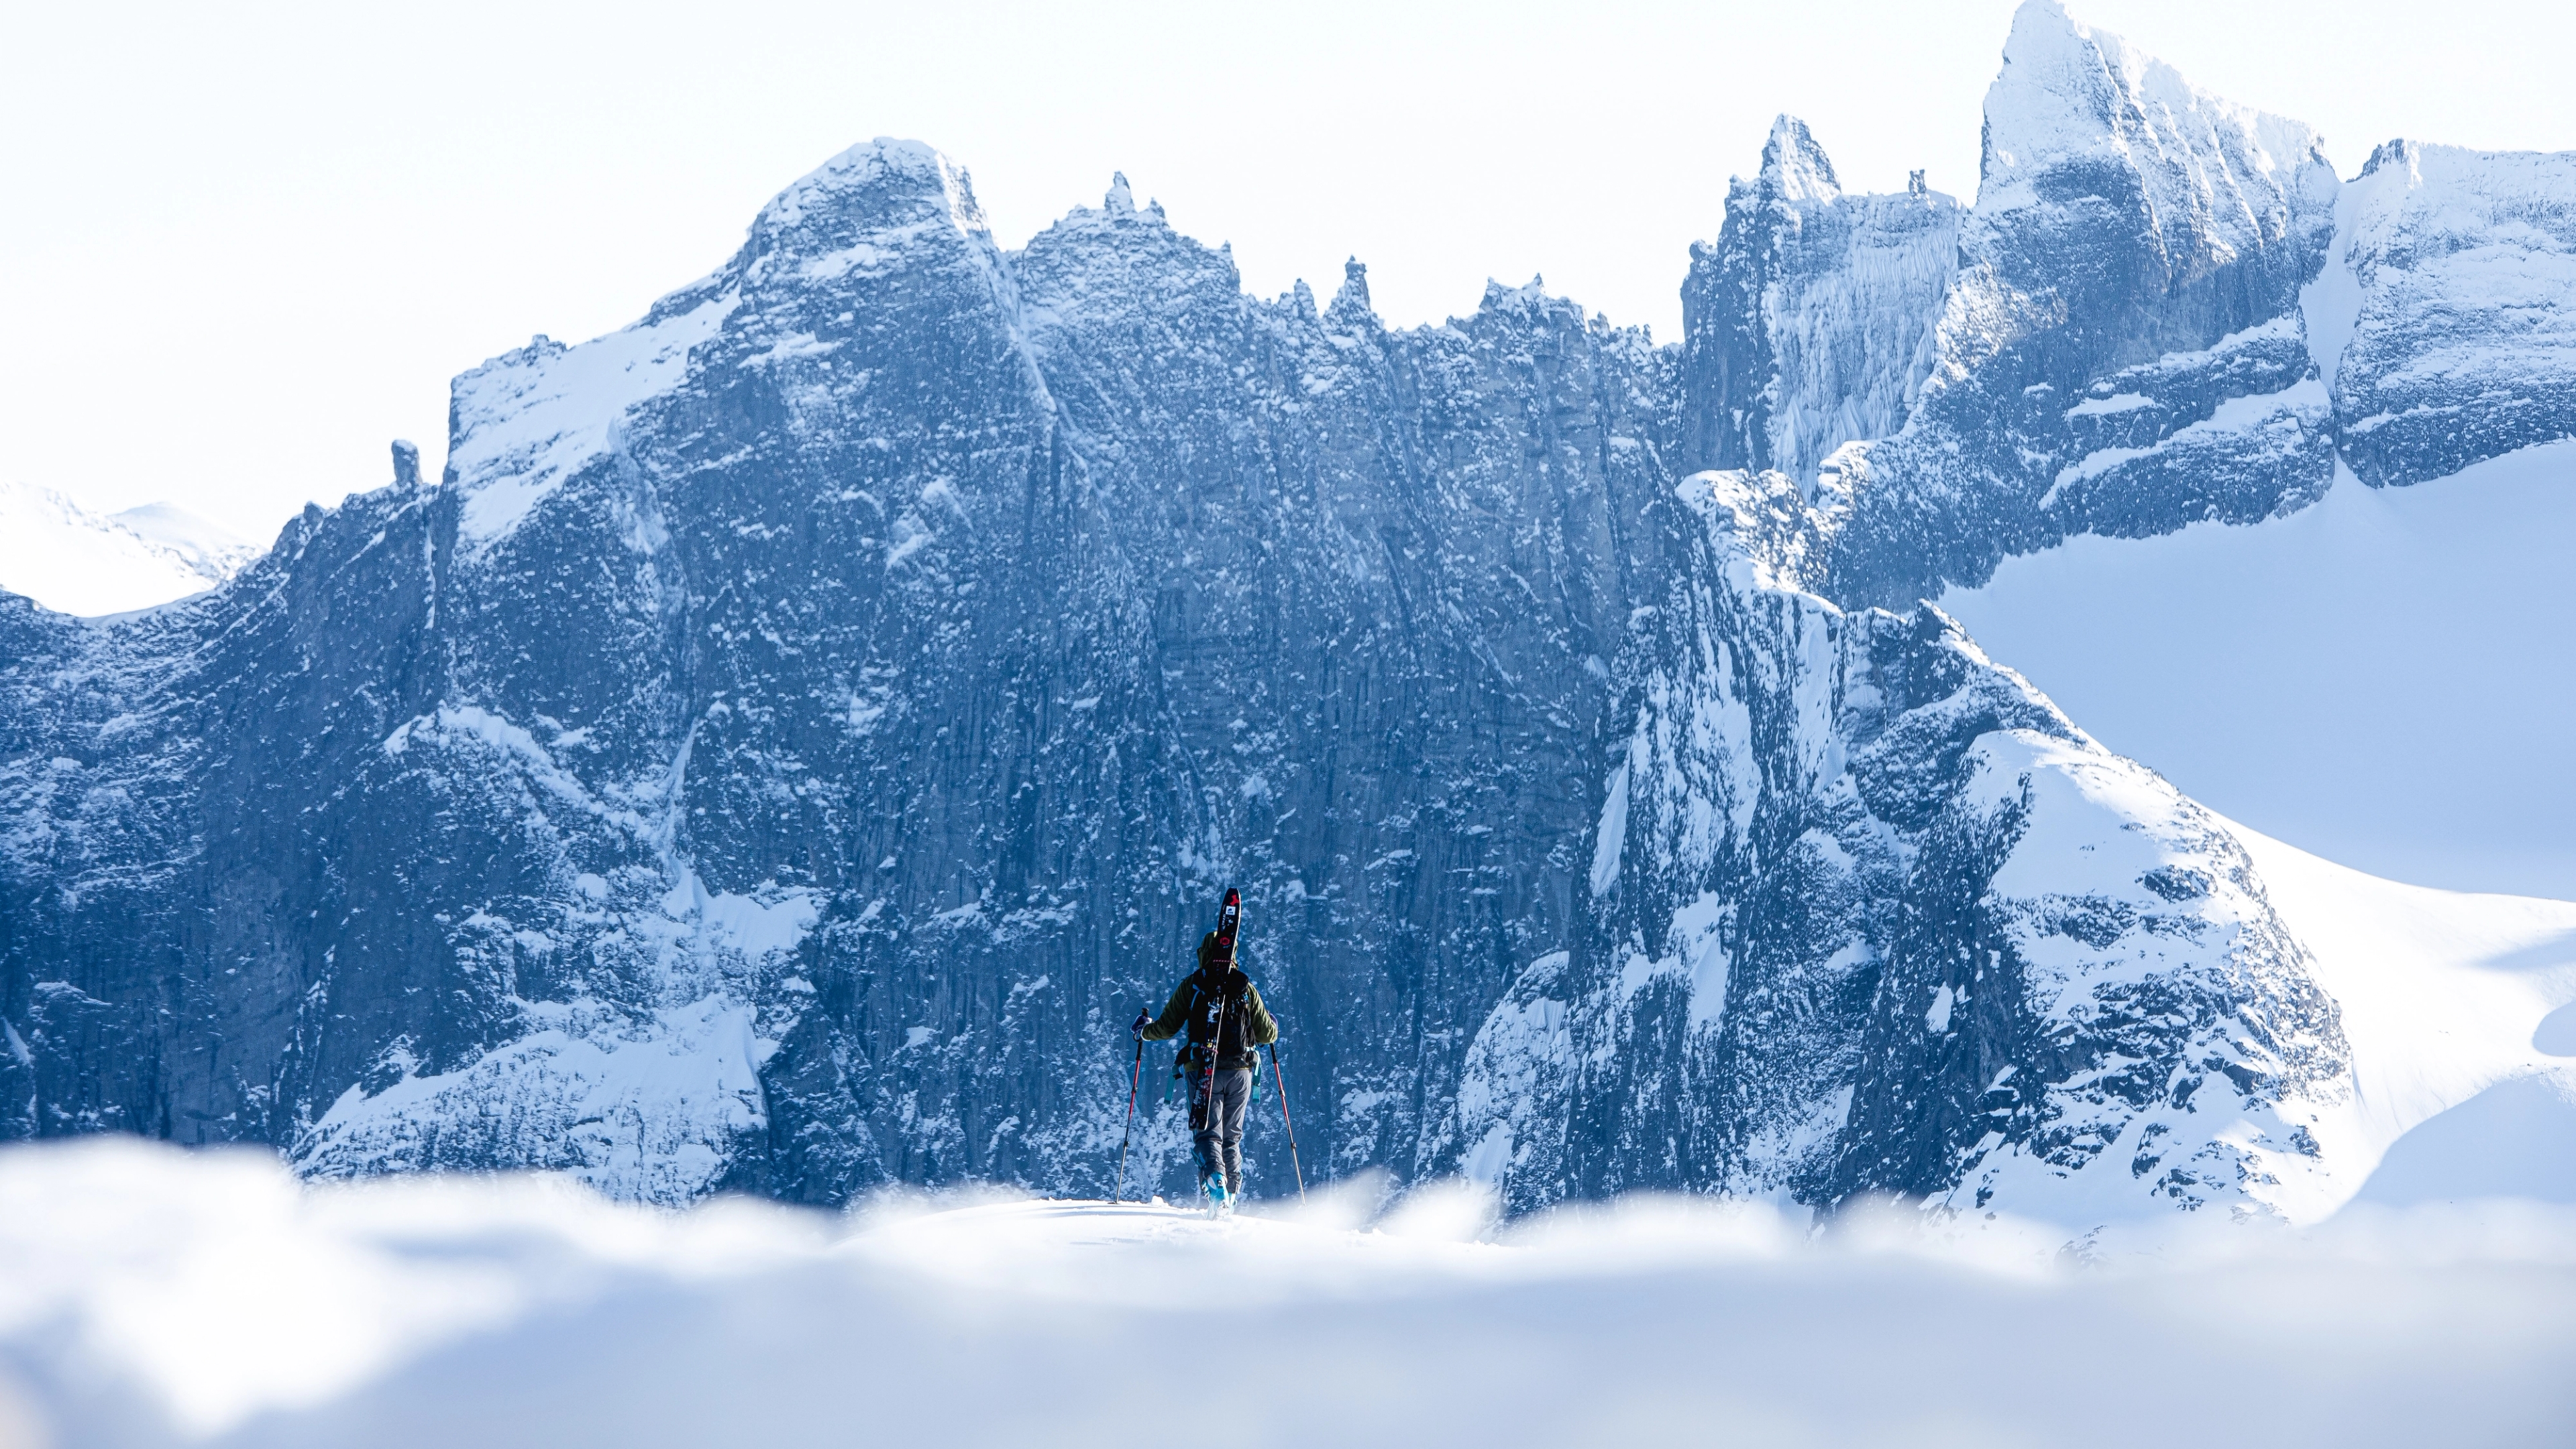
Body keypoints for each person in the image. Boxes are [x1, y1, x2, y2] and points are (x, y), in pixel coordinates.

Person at [1134, 930, 1277, 1212]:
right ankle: (1231, 1195)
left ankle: (1216, 1185)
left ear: (1204, 952)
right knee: (1231, 1137)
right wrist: (1272, 1022)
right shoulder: (1245, 988)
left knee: (1207, 1134)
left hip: (1205, 1070)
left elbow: (1166, 1027)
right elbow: (1267, 1034)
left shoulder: (1194, 985)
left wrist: (1142, 1032)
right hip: (1242, 1072)